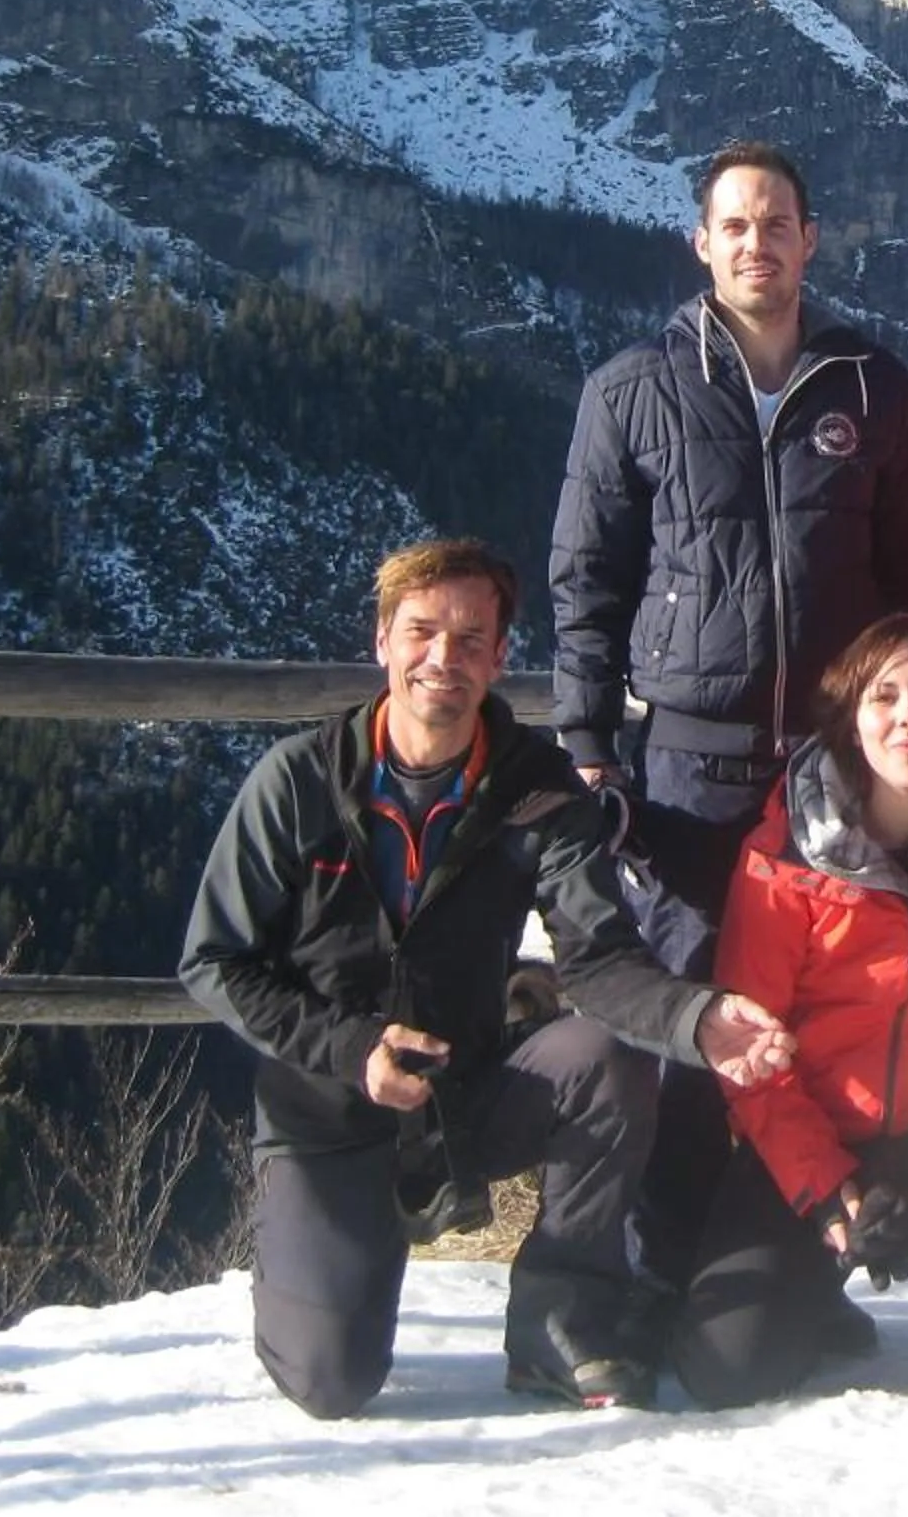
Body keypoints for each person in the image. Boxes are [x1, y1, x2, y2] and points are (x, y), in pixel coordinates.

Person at [179, 538, 795, 1420]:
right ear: (382, 641)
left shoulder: (536, 791)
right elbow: (214, 959)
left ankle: (560, 1326)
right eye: (422, 632)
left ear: (500, 658)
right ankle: (334, 1254)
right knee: (329, 1381)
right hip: (329, 1112)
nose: (444, 658)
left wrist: (696, 1019)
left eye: (471, 639)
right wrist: (353, 1049)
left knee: (605, 1061)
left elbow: (598, 956)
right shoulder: (299, 783)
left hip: (464, 1093)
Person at [548, 141, 908, 1291]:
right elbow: (587, 581)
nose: (757, 243)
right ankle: (649, 1276)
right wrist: (585, 745)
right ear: (701, 243)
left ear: (810, 240)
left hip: (831, 772)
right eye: (736, 225)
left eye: (777, 224)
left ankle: (782, 1260)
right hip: (686, 773)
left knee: (819, 1022)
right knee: (685, 1024)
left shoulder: (874, 388)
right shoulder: (633, 388)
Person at [672, 613, 908, 1408]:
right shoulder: (787, 857)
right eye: (886, 696)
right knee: (728, 1371)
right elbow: (750, 1052)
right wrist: (826, 1186)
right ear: (852, 718)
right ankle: (818, 1279)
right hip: (818, 1130)